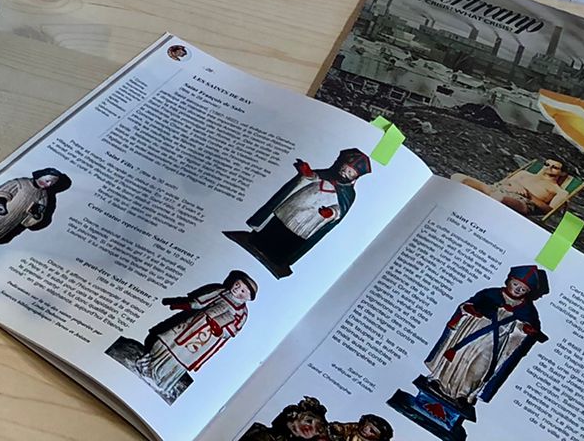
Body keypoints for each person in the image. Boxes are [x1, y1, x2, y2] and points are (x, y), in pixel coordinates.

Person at [391, 268, 550, 438]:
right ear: (509, 280)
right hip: (471, 335)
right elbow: (467, 306)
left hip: (492, 345)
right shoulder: (490, 294)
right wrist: (470, 310)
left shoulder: (528, 310)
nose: (518, 289)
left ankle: (462, 394)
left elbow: (526, 329)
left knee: (479, 369)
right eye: (516, 284)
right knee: (457, 359)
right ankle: (438, 382)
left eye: (523, 289)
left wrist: (526, 330)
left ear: (528, 292)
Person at [108, 272, 257, 403]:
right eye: (237, 285)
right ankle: (148, 364)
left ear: (248, 297)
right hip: (191, 324)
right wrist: (184, 304)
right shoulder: (221, 292)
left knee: (180, 356)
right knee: (166, 341)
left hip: (205, 338)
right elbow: (201, 302)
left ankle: (160, 380)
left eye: (243, 291)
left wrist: (219, 329)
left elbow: (233, 330)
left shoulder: (242, 313)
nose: (237, 289)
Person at [226, 147, 371, 276]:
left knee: (290, 238)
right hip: (294, 206)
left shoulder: (348, 194)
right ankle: (256, 242)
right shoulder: (325, 174)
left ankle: (275, 258)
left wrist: (331, 213)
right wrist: (307, 173)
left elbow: (340, 209)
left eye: (350, 172)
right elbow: (313, 177)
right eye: (344, 169)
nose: (344, 173)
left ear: (355, 177)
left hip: (310, 218)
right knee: (276, 225)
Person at [457, 160, 576, 221]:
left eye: (554, 167)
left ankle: (472, 214)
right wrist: (515, 184)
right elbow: (505, 182)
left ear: (563, 173)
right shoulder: (524, 174)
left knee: (499, 197)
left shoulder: (560, 191)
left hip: (523, 202)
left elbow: (549, 211)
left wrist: (529, 195)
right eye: (546, 164)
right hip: (496, 189)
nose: (548, 168)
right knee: (459, 178)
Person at [241, 396, 330, 440]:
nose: (311, 428)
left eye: (318, 429)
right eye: (309, 421)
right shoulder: (259, 432)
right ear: (294, 415)